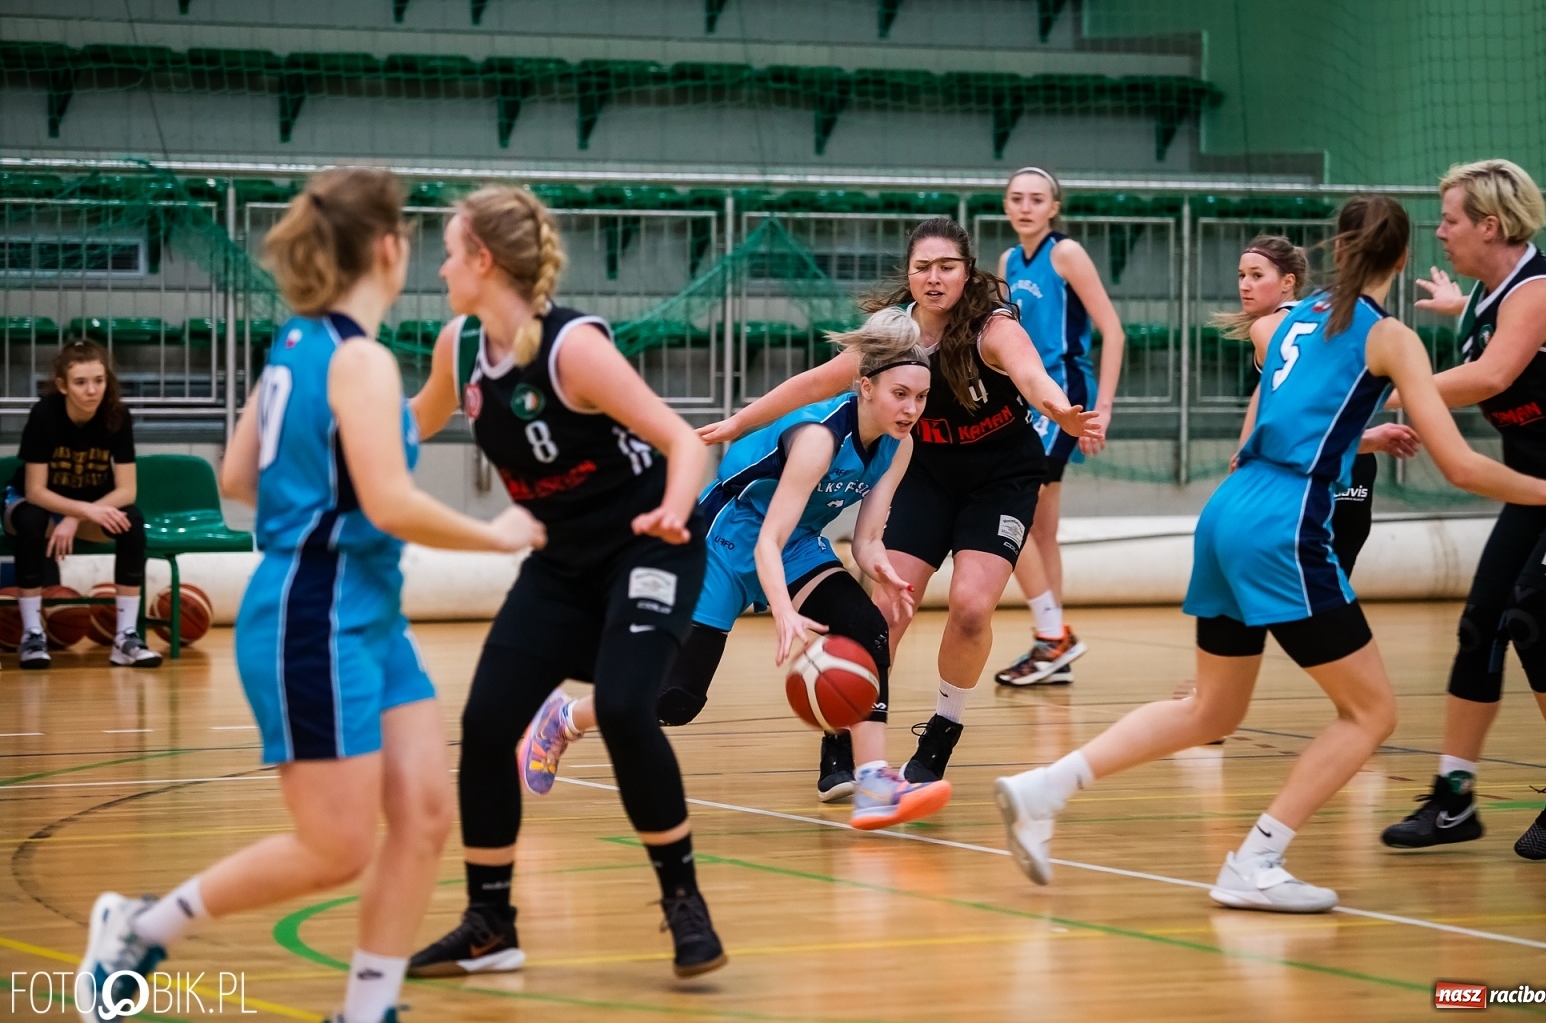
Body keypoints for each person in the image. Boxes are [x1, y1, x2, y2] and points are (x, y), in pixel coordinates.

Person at [992, 194, 1546, 913]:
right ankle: (1256, 858)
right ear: (1401, 260)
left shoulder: (1283, 322)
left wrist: (1357, 437)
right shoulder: (1390, 337)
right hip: (1285, 523)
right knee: (1371, 715)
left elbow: (1292, 416)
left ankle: (1043, 789)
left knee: (1211, 710)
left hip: (1228, 510)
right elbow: (1462, 467)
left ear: (1336, 250)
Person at [76, 167, 540, 1023]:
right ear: (389, 250)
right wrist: (499, 534)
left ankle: (368, 1009)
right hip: (316, 614)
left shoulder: (298, 346)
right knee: (334, 849)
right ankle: (141, 924)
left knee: (426, 813)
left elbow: (237, 475)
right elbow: (391, 502)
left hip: (361, 609)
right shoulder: (358, 359)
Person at [406, 185, 724, 980]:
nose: (441, 267)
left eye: (449, 252)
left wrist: (676, 512)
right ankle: (489, 922)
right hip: (561, 565)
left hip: (650, 547)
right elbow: (409, 422)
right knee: (485, 724)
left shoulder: (572, 348)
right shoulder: (459, 349)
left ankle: (684, 901)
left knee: (623, 707)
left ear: (483, 261)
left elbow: (686, 444)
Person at [700, 217, 1103, 785]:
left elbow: (1033, 376)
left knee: (969, 607)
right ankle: (843, 741)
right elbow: (816, 382)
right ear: (909, 274)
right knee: (886, 611)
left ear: (967, 272)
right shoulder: (892, 336)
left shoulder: (992, 328)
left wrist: (1059, 410)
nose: (934, 278)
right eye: (923, 268)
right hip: (925, 474)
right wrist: (739, 422)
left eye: (947, 267)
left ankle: (941, 734)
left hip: (1001, 478)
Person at [522, 310, 952, 829]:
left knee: (867, 627)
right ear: (865, 387)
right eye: (900, 394)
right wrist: (785, 615)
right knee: (674, 700)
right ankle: (564, 719)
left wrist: (879, 564)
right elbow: (764, 542)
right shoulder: (819, 440)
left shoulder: (899, 446)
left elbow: (864, 539)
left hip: (795, 544)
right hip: (725, 539)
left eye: (921, 397)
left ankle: (876, 782)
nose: (911, 409)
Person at [1380, 160, 1546, 859]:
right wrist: (1456, 308)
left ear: (1490, 224)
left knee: (1531, 618)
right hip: (1540, 487)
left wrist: (1388, 390)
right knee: (1482, 627)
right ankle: (1454, 799)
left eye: (1449, 220)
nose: (1439, 232)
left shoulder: (1537, 294)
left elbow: (1491, 376)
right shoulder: (1490, 296)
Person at [993, 167, 1125, 687]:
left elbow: (1113, 332)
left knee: (1019, 513)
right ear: (1006, 206)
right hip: (1032, 398)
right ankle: (1055, 644)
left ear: (1053, 208)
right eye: (1016, 198)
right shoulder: (1008, 261)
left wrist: (1104, 410)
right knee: (1042, 529)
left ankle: (1053, 638)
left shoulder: (1065, 254)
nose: (1025, 206)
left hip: (1067, 398)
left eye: (1037, 199)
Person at [1222, 235, 1419, 574]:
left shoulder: (1269, 327)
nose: (1245, 285)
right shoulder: (1321, 320)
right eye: (1241, 276)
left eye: (1256, 275)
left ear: (1288, 282)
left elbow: (1295, 404)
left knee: (1298, 588)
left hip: (1312, 463)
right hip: (1354, 459)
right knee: (1330, 582)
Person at [4, 339, 161, 668]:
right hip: (34, 503)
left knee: (132, 522)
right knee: (31, 521)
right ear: (62, 385)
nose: (92, 390)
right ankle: (32, 635)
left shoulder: (116, 415)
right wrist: (80, 512)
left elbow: (127, 490)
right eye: (81, 382)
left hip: (89, 508)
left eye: (99, 381)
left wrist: (76, 517)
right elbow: (35, 491)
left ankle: (126, 636)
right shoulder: (45, 414)